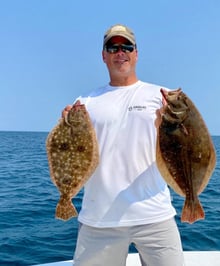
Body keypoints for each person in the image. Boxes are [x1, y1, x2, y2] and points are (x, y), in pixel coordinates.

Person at [63, 24, 185, 266]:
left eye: (127, 46)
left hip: (154, 215)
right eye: (113, 47)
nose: (121, 52)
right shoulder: (84, 102)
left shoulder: (162, 96)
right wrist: (65, 124)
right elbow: (71, 152)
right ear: (104, 55)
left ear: (136, 53)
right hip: (99, 220)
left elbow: (184, 144)